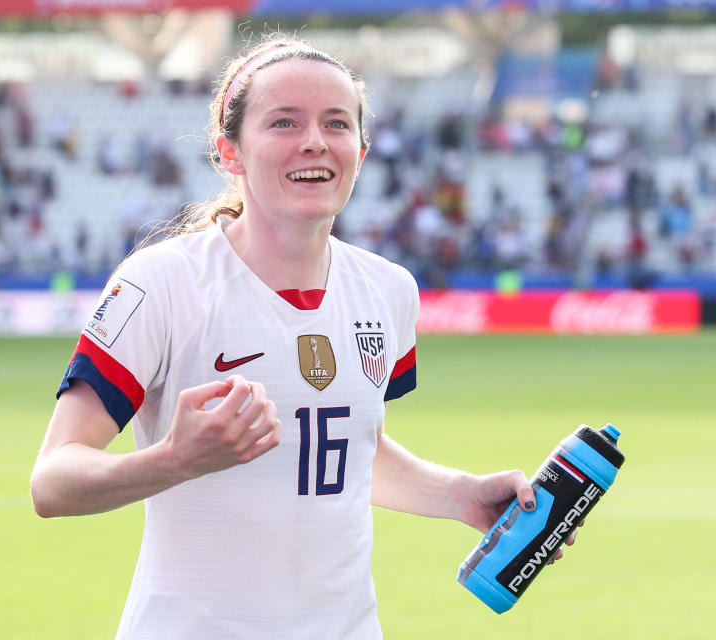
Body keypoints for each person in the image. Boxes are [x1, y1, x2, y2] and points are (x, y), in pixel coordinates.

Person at [31, 36, 576, 639]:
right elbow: (53, 480)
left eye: (336, 123)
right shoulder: (162, 282)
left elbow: (343, 450)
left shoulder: (389, 290)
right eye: (284, 121)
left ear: (361, 152)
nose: (314, 141)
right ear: (230, 153)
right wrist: (174, 459)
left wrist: (462, 495)